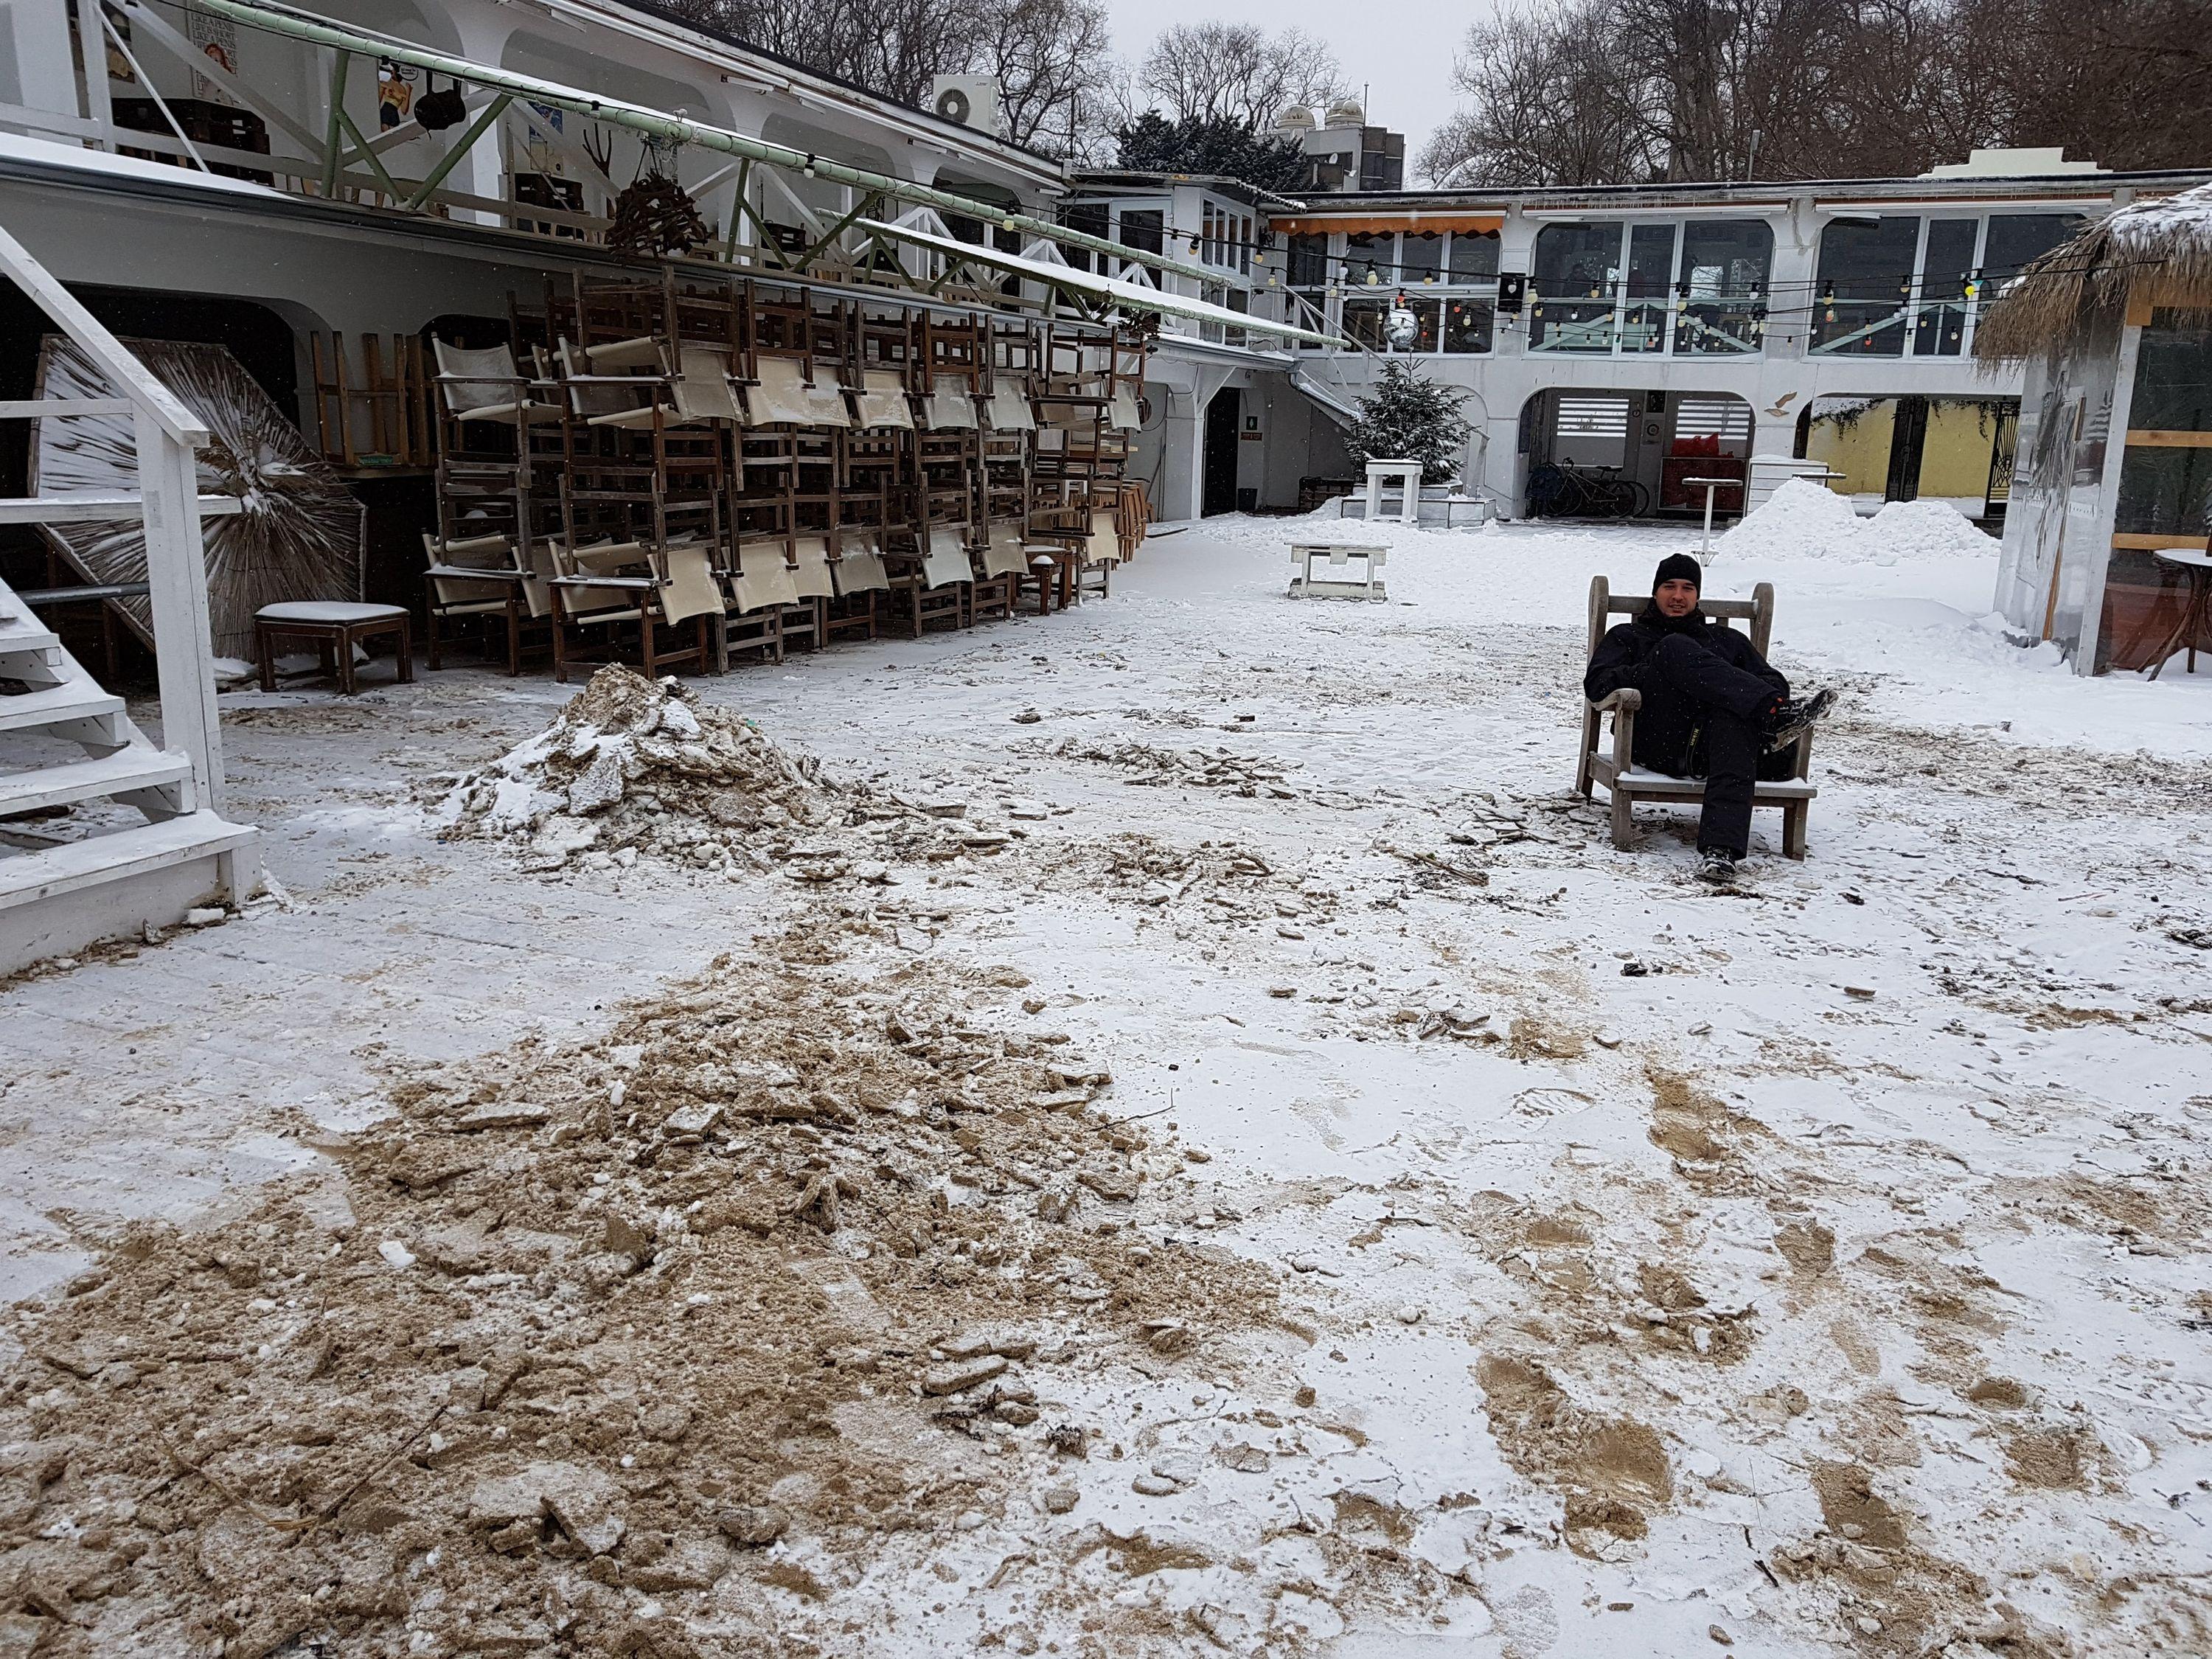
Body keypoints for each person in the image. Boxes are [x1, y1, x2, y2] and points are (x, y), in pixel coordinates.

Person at [1585, 553, 1834, 883]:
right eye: (1669, 587)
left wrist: (1725, 689)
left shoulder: (1727, 641)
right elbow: (1597, 684)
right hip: (1657, 740)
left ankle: (1721, 852)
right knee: (1673, 648)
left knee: (1733, 722)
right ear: (1655, 592)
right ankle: (1773, 717)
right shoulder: (1628, 636)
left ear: (1697, 595)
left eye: (1688, 588)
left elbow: (1775, 683)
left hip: (1715, 746)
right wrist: (1653, 671)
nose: (1678, 596)